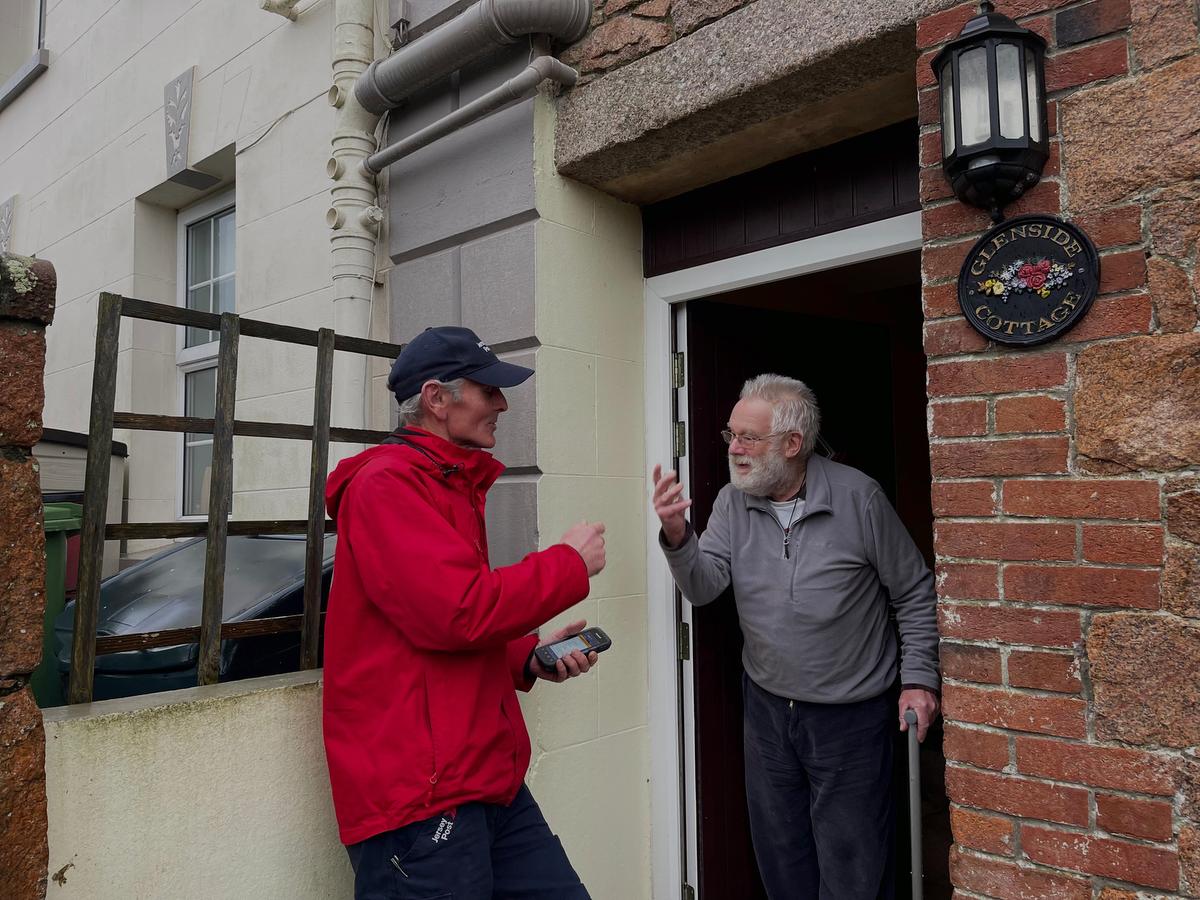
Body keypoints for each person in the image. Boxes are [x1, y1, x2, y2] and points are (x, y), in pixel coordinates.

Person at [323, 325, 607, 900]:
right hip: (421, 798)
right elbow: (455, 613)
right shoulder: (387, 484)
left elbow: (437, 620)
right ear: (436, 399)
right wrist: (568, 564)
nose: (501, 403)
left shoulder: (446, 481)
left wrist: (528, 657)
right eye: (487, 389)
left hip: (481, 779)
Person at [651, 373, 939, 900]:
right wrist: (677, 537)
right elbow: (705, 586)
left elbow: (914, 591)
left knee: (854, 863)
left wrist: (919, 679)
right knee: (781, 853)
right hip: (767, 710)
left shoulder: (860, 498)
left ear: (792, 444)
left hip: (851, 714)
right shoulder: (733, 504)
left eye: (748, 438)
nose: (734, 449)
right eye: (730, 435)